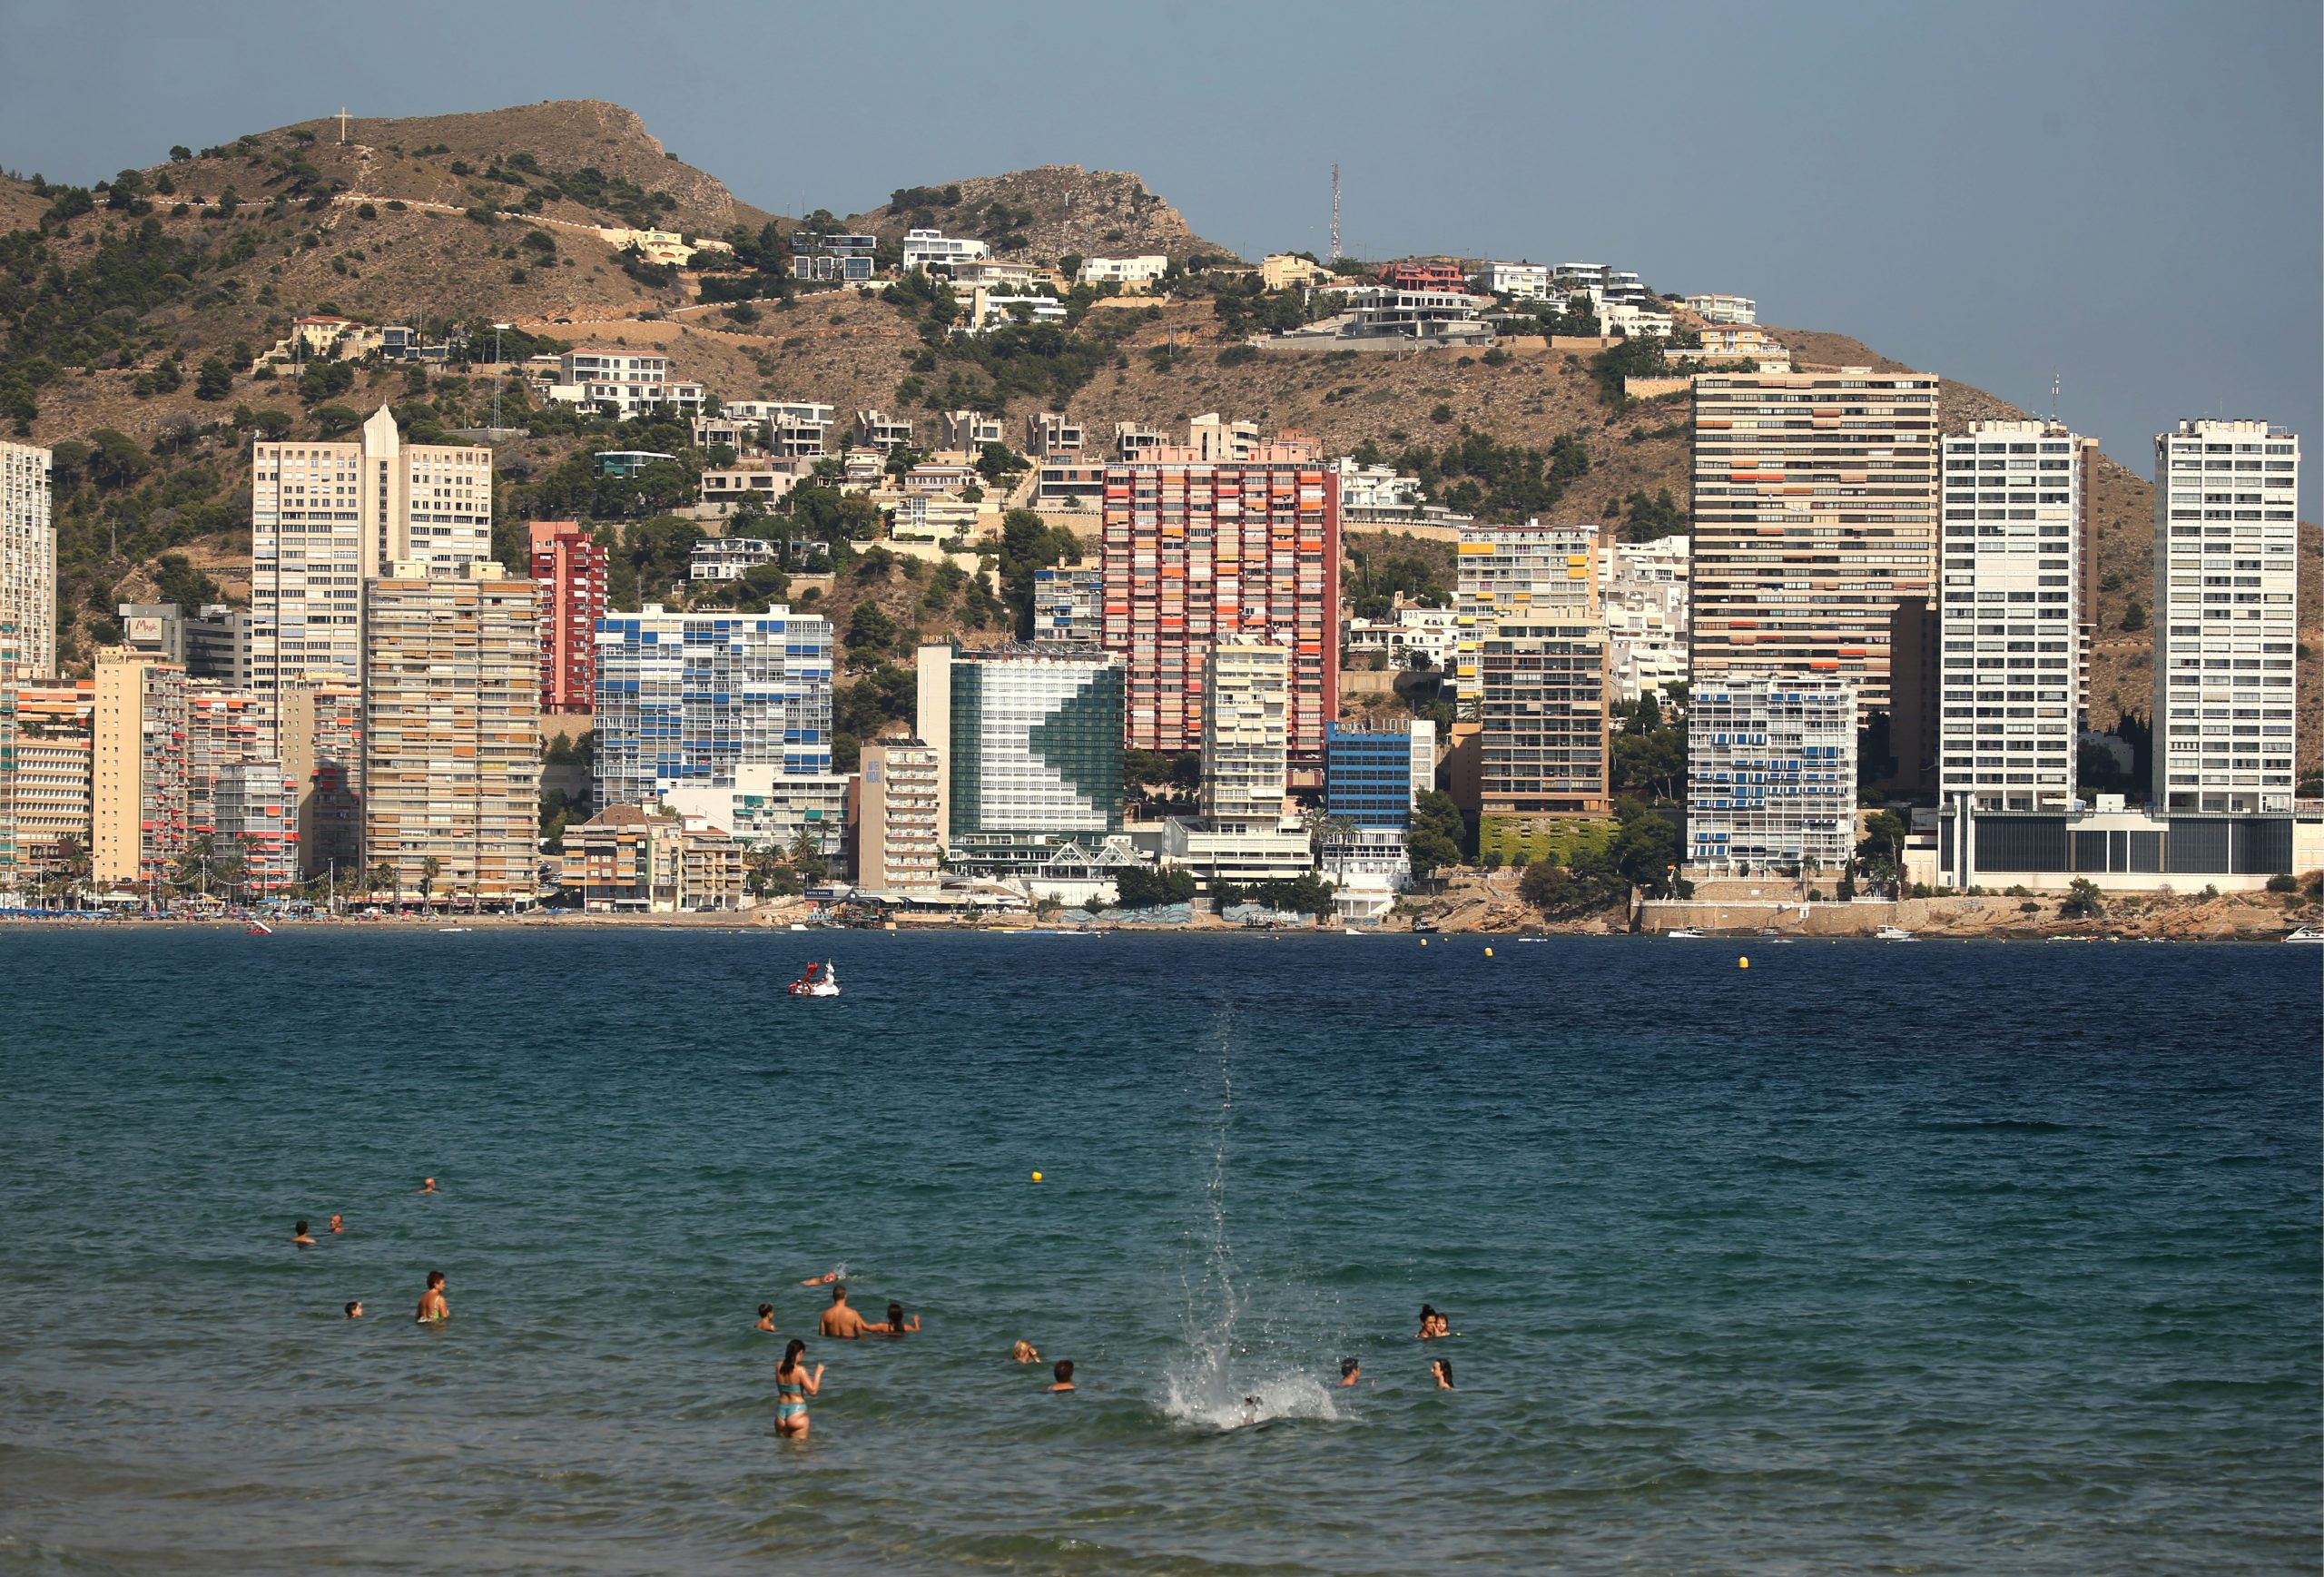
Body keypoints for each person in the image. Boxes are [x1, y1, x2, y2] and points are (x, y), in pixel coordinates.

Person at [775, 1339, 822, 1438]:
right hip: (797, 1413)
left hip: (781, 1413)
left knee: (783, 1450)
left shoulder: (778, 1366)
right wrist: (818, 1373)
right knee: (800, 1452)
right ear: (800, 1352)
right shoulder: (800, 1370)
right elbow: (813, 1391)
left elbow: (780, 1389)